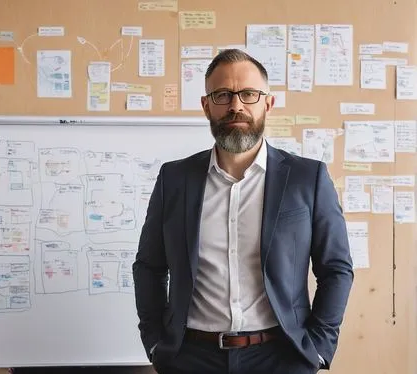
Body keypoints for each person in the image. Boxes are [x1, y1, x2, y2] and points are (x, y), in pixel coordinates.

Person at [133, 49, 354, 374]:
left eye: (248, 94)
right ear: (207, 105)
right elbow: (149, 267)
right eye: (222, 94)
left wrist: (319, 348)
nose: (236, 105)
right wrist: (155, 343)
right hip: (191, 357)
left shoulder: (308, 179)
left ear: (267, 102)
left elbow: (336, 268)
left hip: (281, 356)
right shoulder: (174, 179)